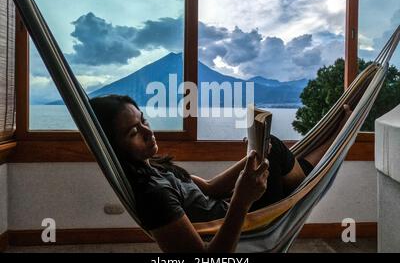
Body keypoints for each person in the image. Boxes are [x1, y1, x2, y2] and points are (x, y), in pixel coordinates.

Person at [89, 95, 351, 253]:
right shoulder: (153, 195)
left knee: (269, 147)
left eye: (143, 120)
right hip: (248, 223)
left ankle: (320, 155)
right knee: (281, 155)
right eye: (134, 133)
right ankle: (338, 135)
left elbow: (212, 188)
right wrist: (242, 199)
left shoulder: (155, 167)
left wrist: (251, 156)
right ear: (114, 148)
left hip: (237, 208)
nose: (149, 132)